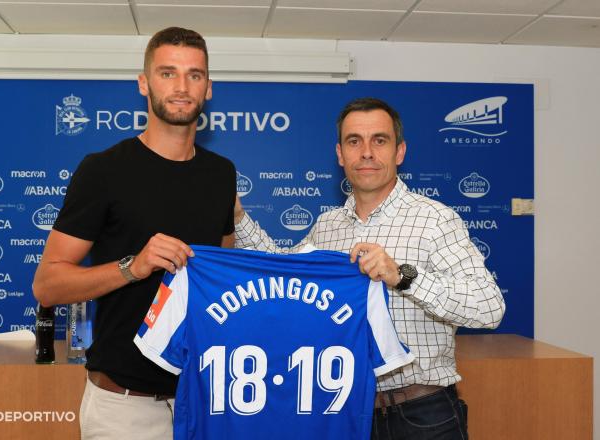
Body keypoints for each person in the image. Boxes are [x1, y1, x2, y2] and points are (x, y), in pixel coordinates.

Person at [234, 97, 505, 439]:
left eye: (379, 140)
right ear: (340, 154)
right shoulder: (326, 226)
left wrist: (404, 276)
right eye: (354, 141)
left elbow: (490, 307)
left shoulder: (435, 219)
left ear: (400, 152)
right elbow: (282, 275)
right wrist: (239, 218)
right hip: (342, 412)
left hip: (421, 417)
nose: (366, 152)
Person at [32, 27, 236, 440]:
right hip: (123, 408)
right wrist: (134, 266)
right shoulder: (103, 170)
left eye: (194, 75)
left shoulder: (221, 174)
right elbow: (47, 285)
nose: (181, 87)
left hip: (202, 401)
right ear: (144, 83)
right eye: (167, 73)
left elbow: (222, 275)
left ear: (209, 88)